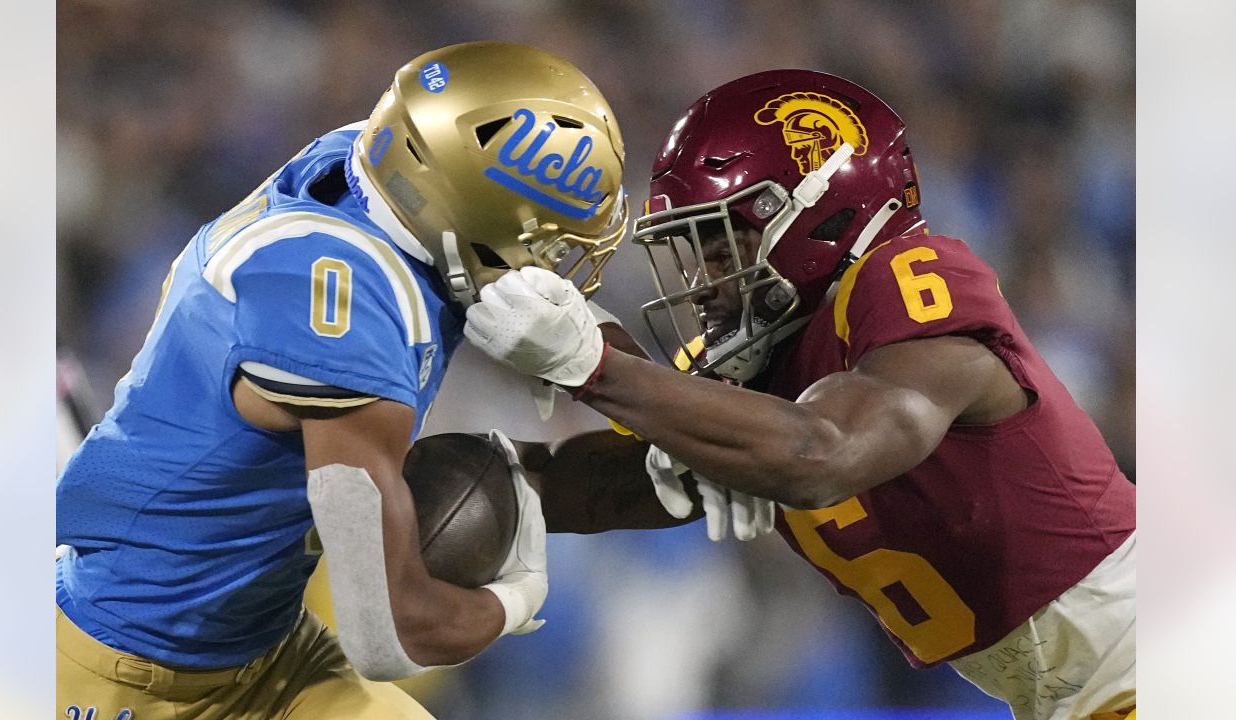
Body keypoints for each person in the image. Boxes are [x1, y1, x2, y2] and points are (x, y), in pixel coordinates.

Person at [465, 70, 1136, 720]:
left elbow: (821, 452)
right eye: (692, 251)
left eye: (724, 247)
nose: (701, 280)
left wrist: (596, 364)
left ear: (820, 213)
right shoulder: (755, 370)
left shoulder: (908, 283)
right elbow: (609, 485)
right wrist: (423, 489)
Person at [55, 41, 629, 719]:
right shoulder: (339, 316)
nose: (553, 268)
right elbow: (389, 632)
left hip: (263, 647)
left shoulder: (377, 167)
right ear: (475, 220)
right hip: (130, 669)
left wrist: (619, 384)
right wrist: (519, 594)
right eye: (546, 244)